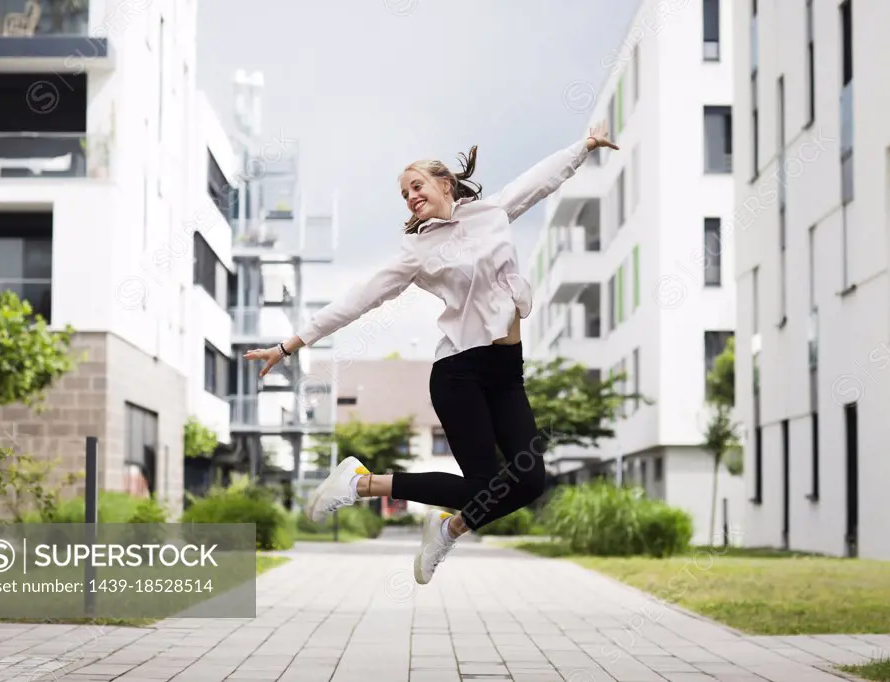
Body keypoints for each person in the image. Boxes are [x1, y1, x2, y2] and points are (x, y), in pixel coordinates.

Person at [244, 122, 619, 584]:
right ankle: (360, 484)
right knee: (484, 484)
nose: (410, 197)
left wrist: (583, 146)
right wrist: (291, 343)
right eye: (404, 194)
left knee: (529, 481)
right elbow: (359, 298)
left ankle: (449, 528)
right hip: (459, 372)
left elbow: (542, 179)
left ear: (446, 184)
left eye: (416, 185)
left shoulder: (493, 212)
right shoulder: (416, 251)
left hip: (506, 372)